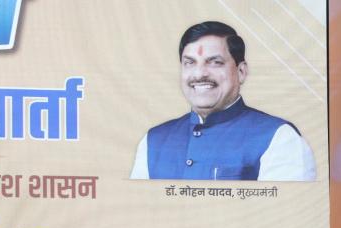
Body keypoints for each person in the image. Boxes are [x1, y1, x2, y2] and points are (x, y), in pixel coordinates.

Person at [130, 21, 315, 181]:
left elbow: (285, 211)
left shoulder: (279, 138)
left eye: (215, 62)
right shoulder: (153, 141)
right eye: (190, 63)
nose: (199, 74)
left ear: (241, 72)